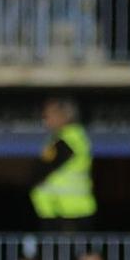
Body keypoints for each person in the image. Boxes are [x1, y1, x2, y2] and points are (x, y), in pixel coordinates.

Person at [30, 97, 96, 230]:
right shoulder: (67, 137)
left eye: (48, 115)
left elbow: (42, 168)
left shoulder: (69, 139)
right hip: (60, 210)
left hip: (68, 213)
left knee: (78, 250)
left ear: (63, 115)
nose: (45, 120)